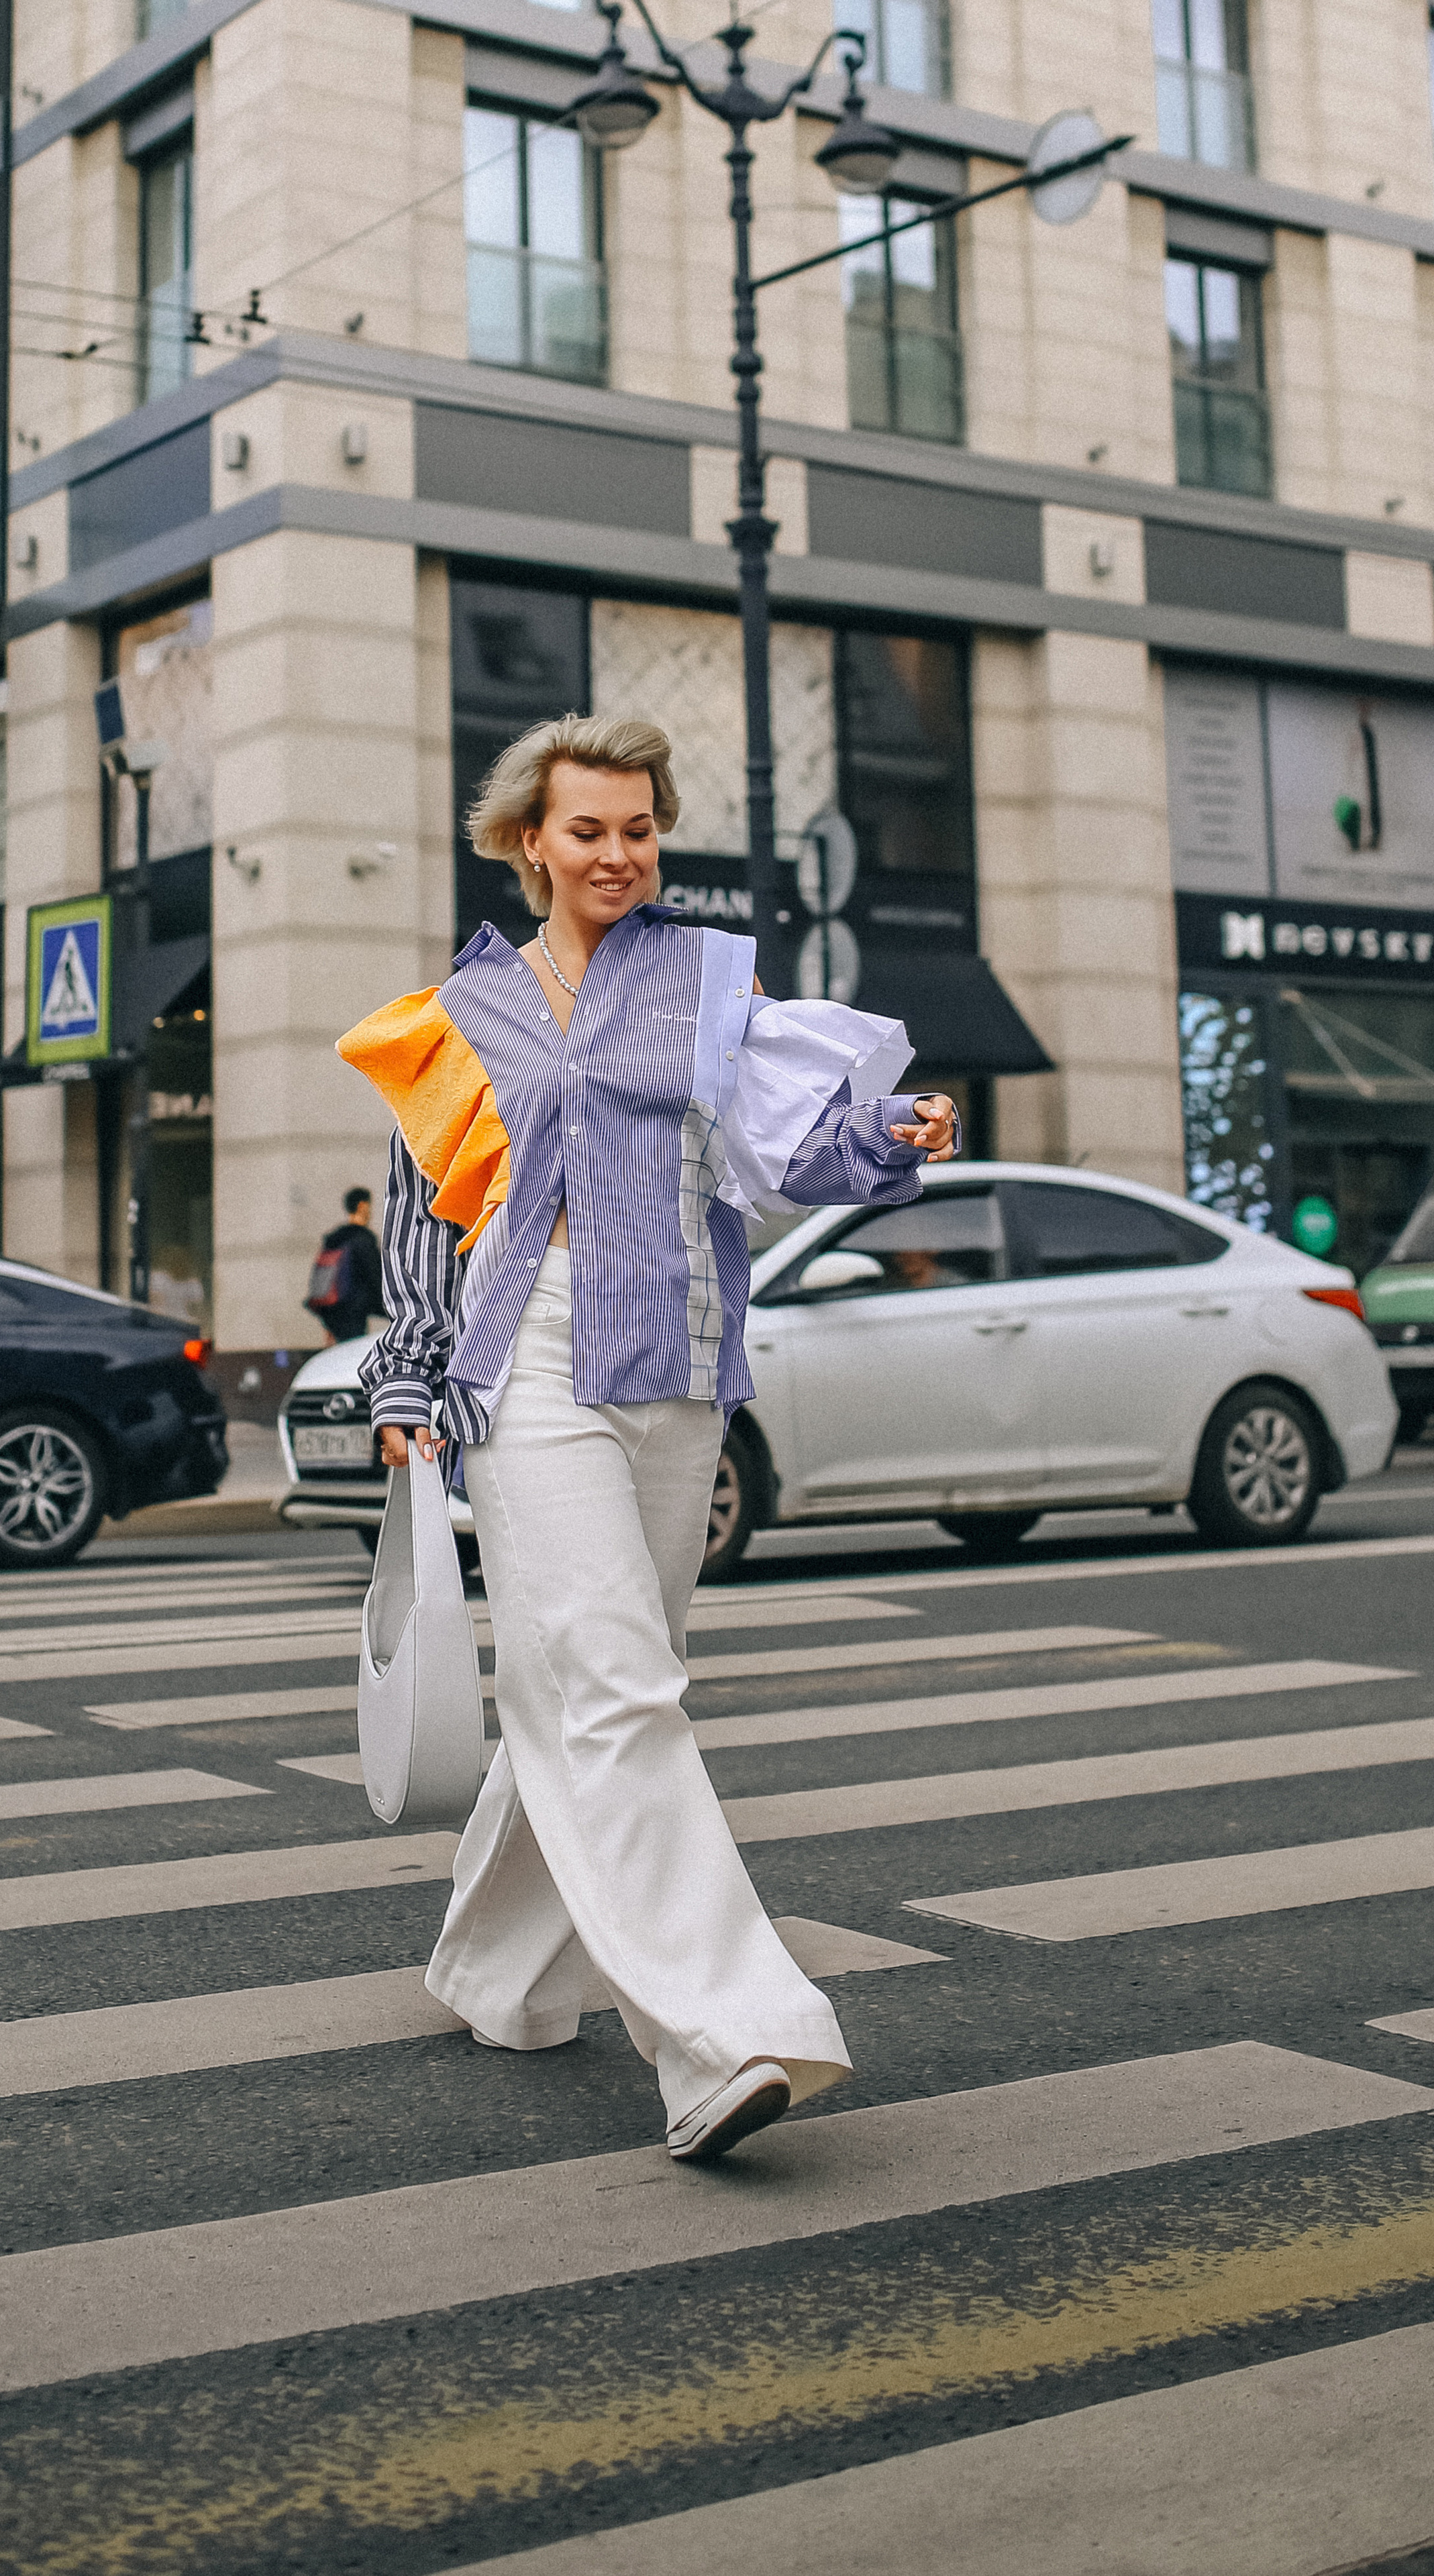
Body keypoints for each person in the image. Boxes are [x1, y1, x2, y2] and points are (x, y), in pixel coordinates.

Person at [336, 713, 958, 2165]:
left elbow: (788, 1143)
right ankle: (726, 2033)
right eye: (585, 831)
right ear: (525, 844)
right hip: (526, 1351)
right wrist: (406, 1388)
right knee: (618, 1686)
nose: (615, 855)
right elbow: (430, 1209)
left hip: (676, 1349)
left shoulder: (704, 982)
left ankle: (489, 1973)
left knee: (593, 1683)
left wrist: (891, 1139)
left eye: (636, 829)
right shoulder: (460, 1013)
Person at [306, 1187, 385, 1342]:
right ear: (362, 1206)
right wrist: (390, 1308)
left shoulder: (335, 1239)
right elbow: (375, 1277)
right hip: (353, 1313)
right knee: (354, 1354)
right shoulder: (363, 1239)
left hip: (331, 1311)